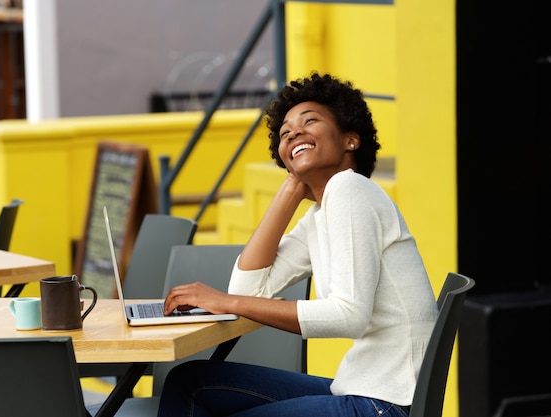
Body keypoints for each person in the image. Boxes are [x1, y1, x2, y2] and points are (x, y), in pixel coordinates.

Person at [158, 72, 438, 417]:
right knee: (190, 382)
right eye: (285, 133)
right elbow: (250, 289)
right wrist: (291, 188)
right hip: (363, 389)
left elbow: (348, 316)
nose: (294, 133)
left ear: (351, 140)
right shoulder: (324, 212)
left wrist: (224, 301)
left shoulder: (351, 191)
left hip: (383, 403)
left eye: (310, 122)